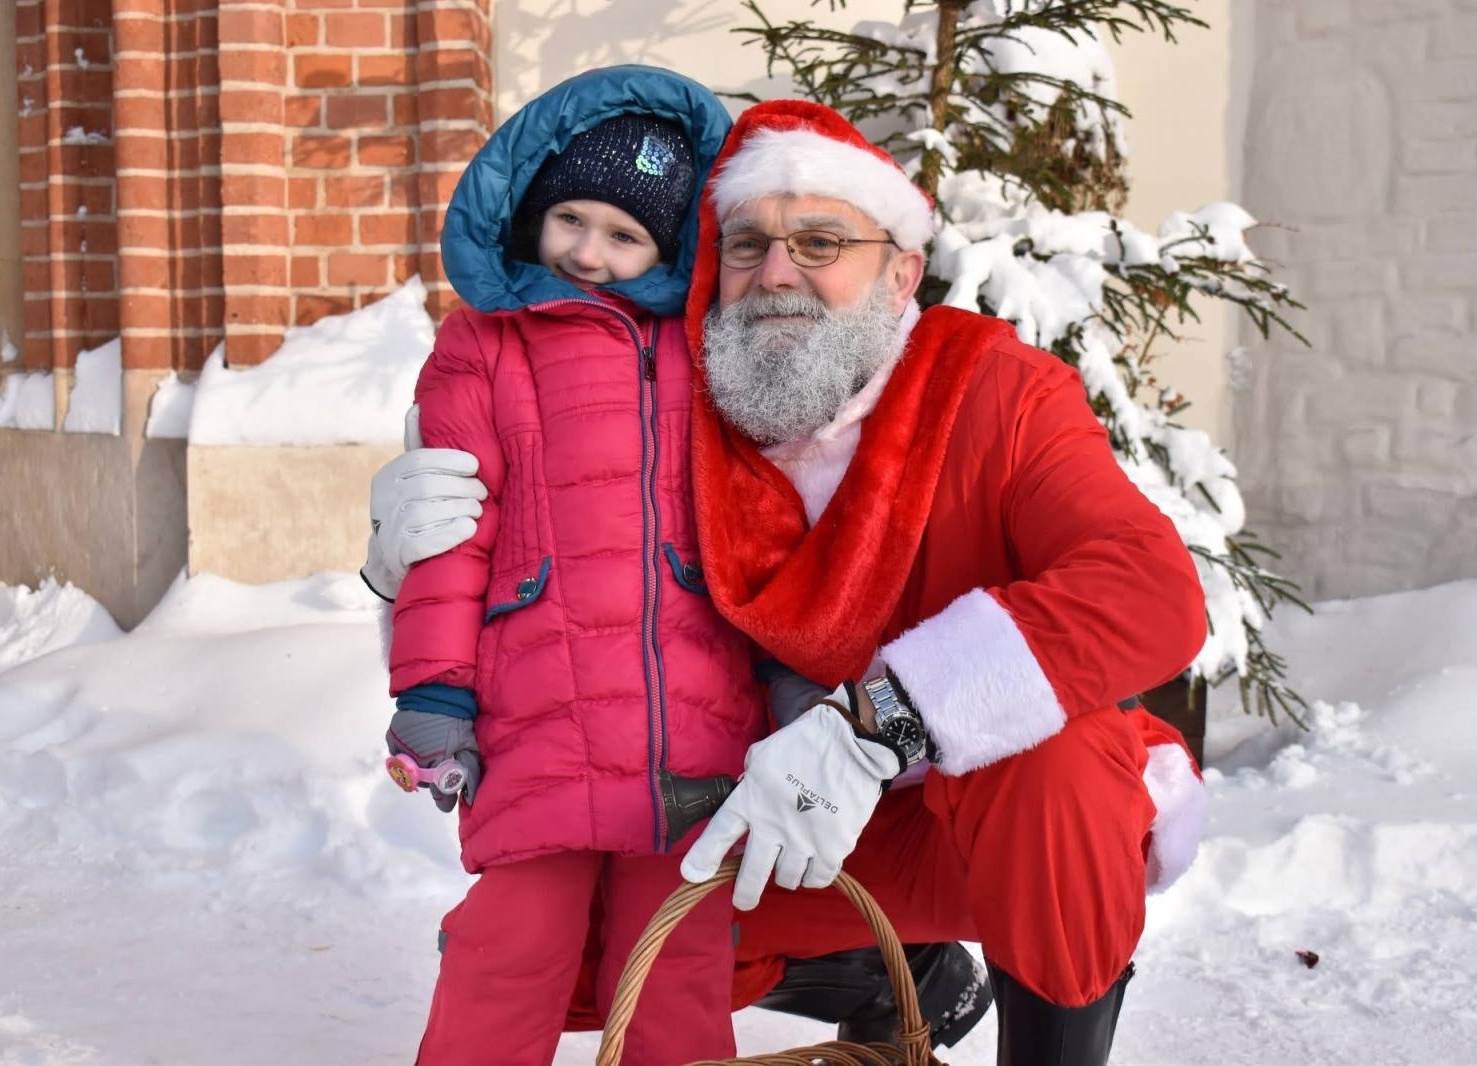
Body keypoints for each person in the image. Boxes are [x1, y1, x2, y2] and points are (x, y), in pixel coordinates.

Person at [371, 93, 1211, 1066]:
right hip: (773, 815)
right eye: (746, 244)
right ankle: (890, 969)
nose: (776, 273)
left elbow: (1150, 590)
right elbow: (568, 591)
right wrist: (404, 573)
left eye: (819, 241)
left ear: (899, 271)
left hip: (978, 822)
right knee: (565, 926)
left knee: (1056, 771)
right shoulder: (683, 404)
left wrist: (880, 722)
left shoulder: (994, 388)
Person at [379, 66, 767, 1066]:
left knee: (674, 966)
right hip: (536, 708)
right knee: (509, 945)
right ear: (533, 210)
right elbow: (450, 535)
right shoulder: (484, 348)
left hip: (693, 714)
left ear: (672, 247)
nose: (590, 252)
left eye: (625, 235)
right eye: (572, 219)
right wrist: (432, 693)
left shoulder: (708, 352)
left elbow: (760, 526)